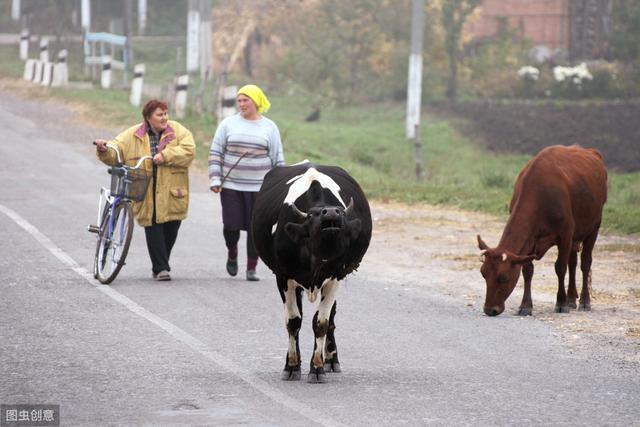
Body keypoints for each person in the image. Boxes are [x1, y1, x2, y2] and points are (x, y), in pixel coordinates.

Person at [95, 99, 195, 281]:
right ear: (148, 117)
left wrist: (165, 155)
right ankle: (161, 268)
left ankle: (161, 262)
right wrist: (104, 149)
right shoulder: (133, 134)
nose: (164, 118)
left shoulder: (178, 131)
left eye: (165, 113)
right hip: (146, 189)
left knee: (171, 228)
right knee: (153, 225)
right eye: (159, 114)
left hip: (172, 190)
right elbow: (115, 149)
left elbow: (189, 151)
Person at [208, 84, 285, 281]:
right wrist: (215, 178)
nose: (241, 104)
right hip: (232, 185)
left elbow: (278, 159)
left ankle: (252, 268)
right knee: (231, 226)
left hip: (261, 188)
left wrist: (280, 188)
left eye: (246, 100)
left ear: (256, 102)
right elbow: (216, 152)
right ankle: (232, 253)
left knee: (256, 228)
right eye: (239, 100)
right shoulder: (228, 124)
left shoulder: (270, 127)